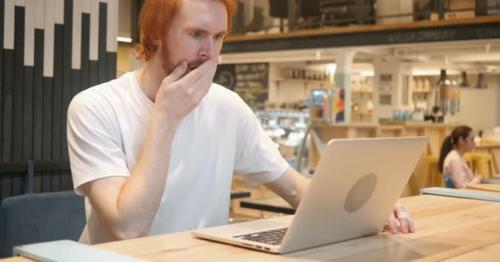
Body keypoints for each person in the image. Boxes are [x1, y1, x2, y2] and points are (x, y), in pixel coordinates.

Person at [67, 0, 414, 245]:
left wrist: (368, 208)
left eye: (218, 37)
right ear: (156, 33)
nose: (210, 52)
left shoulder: (228, 106)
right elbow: (127, 229)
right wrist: (166, 117)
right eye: (197, 34)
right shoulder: (95, 107)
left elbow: (293, 189)